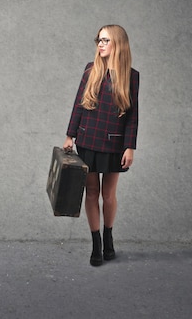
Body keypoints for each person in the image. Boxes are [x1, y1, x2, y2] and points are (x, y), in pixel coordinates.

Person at [63, 25, 139, 267]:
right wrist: (70, 135)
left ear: (118, 43)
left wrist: (130, 147)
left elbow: (132, 116)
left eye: (105, 40)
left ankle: (108, 236)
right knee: (91, 193)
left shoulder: (132, 76)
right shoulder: (90, 70)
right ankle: (96, 244)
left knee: (108, 195)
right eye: (99, 40)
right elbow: (78, 105)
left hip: (114, 144)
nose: (100, 44)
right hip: (87, 140)